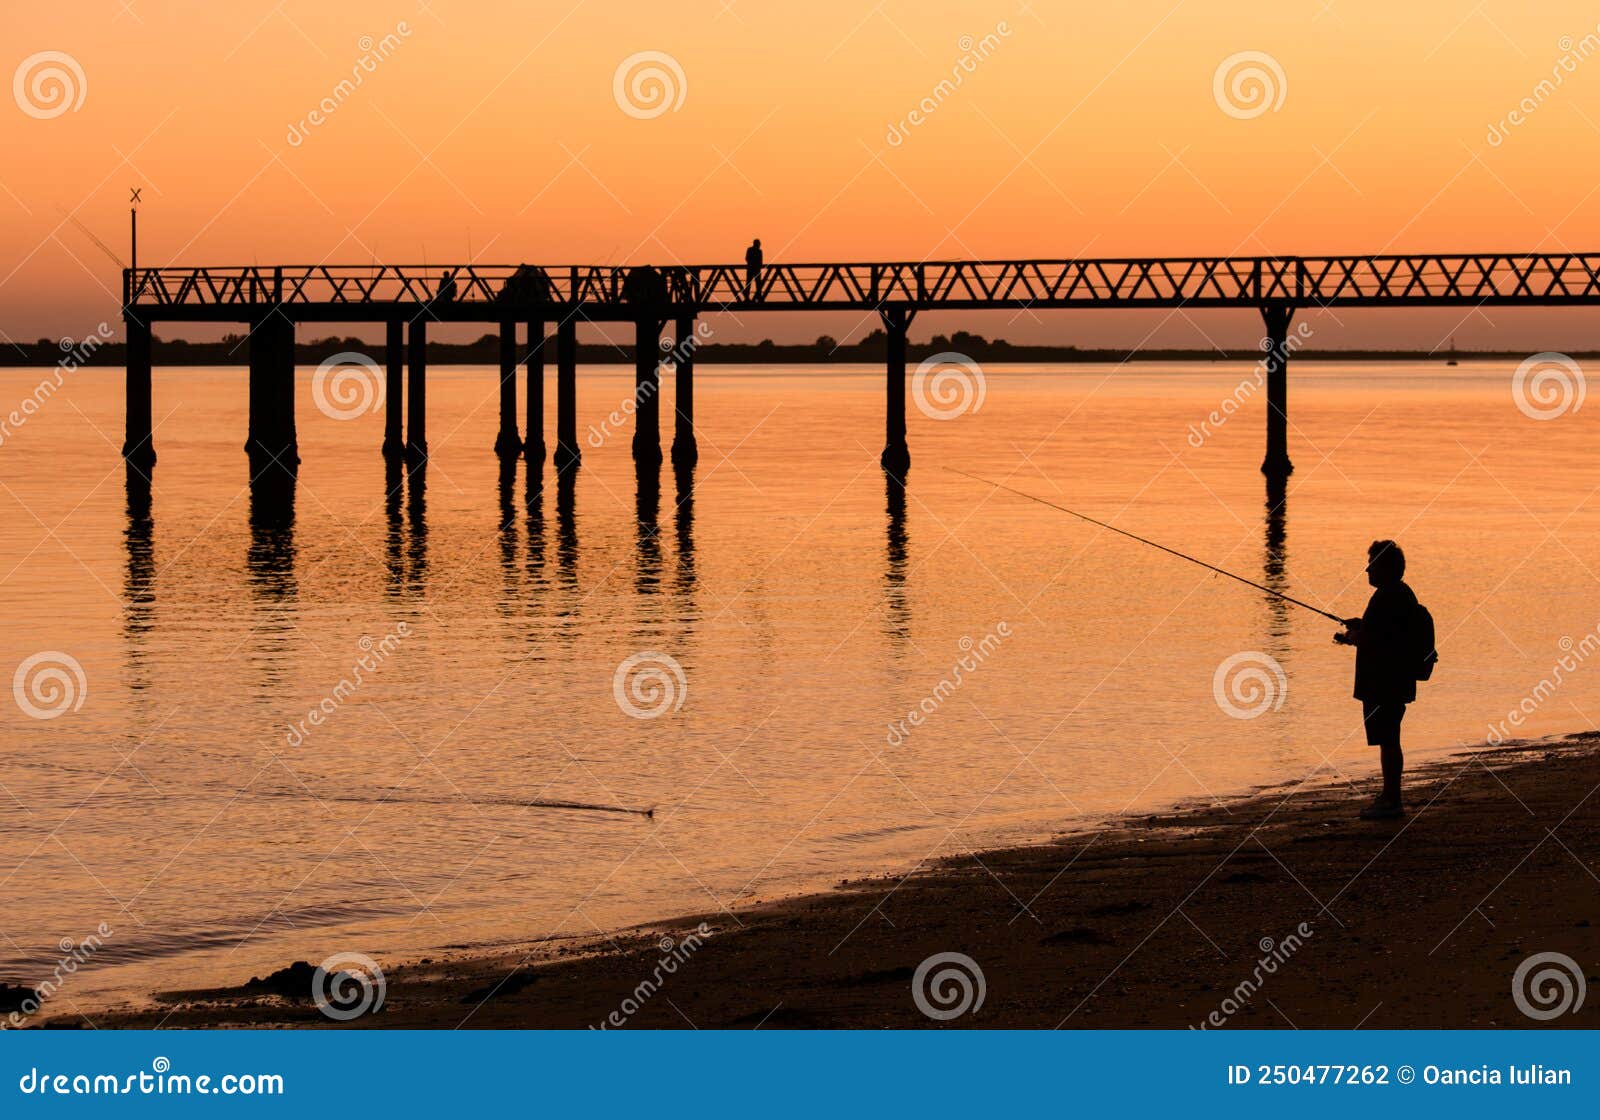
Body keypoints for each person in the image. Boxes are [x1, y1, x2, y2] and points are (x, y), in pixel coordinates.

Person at [1333, 540, 1417, 820]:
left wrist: (1353, 636)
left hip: (1385, 682)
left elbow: (1377, 640)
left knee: (1389, 738)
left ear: (1385, 567)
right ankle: (1389, 796)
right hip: (1394, 679)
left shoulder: (1386, 597)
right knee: (1389, 738)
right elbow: (1385, 633)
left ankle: (1392, 800)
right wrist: (1361, 627)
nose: (1367, 570)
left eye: (1372, 564)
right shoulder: (1400, 594)